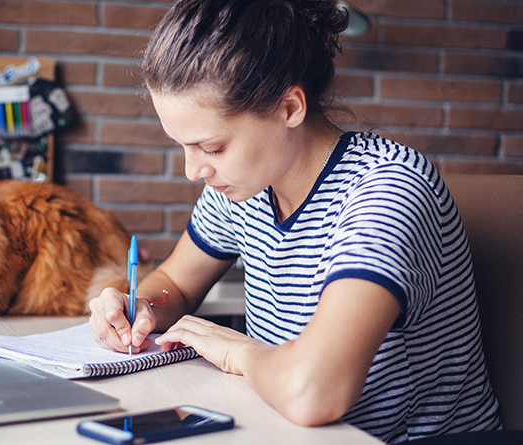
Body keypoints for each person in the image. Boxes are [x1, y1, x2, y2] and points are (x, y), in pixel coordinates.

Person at [87, 0, 502, 443]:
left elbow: (314, 393)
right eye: (182, 146)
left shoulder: (386, 191)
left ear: (289, 108)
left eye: (211, 147)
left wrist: (239, 351)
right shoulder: (241, 187)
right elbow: (178, 283)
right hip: (280, 427)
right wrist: (143, 305)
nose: (193, 171)